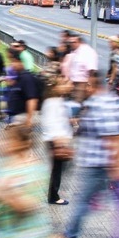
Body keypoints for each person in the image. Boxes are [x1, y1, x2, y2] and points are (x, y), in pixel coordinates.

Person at [48, 71, 119, 238]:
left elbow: (114, 136)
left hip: (100, 164)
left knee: (83, 201)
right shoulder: (105, 101)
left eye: (85, 85)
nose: (82, 88)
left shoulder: (101, 104)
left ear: (92, 86)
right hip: (101, 163)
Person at [41, 76, 74, 205]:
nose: (68, 85)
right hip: (56, 141)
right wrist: (58, 142)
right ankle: (53, 196)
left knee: (59, 168)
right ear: (55, 87)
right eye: (64, 84)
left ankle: (53, 194)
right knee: (57, 169)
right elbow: (51, 123)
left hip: (58, 140)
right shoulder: (53, 102)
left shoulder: (55, 101)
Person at [4, 48, 40, 126]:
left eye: (14, 62)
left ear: (21, 62)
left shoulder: (27, 78)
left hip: (23, 117)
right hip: (16, 116)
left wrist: (29, 119)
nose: (12, 64)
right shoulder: (19, 77)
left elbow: (32, 99)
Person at [61, 33, 98, 103]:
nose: (71, 44)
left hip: (82, 83)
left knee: (78, 103)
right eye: (70, 42)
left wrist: (90, 85)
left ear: (80, 42)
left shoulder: (87, 52)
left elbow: (92, 71)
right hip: (73, 82)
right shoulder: (75, 51)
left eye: (74, 42)